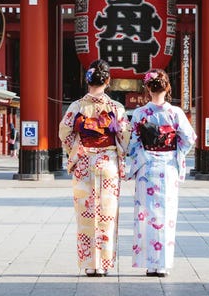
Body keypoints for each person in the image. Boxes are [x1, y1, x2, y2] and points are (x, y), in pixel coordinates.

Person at [59, 59, 131, 277]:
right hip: (108, 162)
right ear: (108, 81)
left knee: (85, 214)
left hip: (83, 162)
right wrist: (117, 150)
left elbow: (64, 133)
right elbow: (124, 137)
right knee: (107, 215)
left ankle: (91, 264)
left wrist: (76, 150)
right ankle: (105, 264)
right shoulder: (116, 108)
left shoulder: (76, 107)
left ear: (87, 80)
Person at [125, 68, 196, 277]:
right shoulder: (175, 113)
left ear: (147, 88)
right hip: (168, 168)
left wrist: (142, 157)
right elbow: (189, 138)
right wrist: (176, 153)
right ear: (167, 87)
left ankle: (149, 264)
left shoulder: (139, 113)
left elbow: (132, 144)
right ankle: (162, 264)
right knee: (166, 215)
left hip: (146, 166)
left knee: (145, 215)